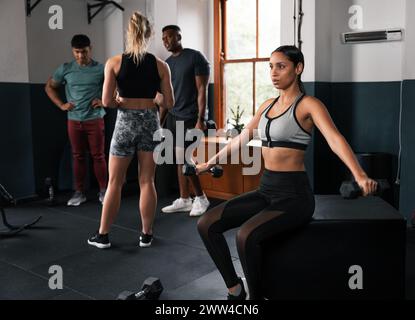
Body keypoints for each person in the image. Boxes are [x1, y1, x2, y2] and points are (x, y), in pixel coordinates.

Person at [195, 45, 378, 300]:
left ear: (298, 68)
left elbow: (335, 139)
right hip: (266, 190)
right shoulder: (267, 106)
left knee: (245, 236)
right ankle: (235, 289)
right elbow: (241, 139)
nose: (273, 72)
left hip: (294, 196)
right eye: (270, 66)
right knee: (206, 224)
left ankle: (257, 299)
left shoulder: (309, 105)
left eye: (280, 66)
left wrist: (359, 174)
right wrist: (209, 162)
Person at [87, 11, 174, 249]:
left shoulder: (114, 62)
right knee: (147, 180)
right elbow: (169, 103)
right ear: (149, 35)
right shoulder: (160, 65)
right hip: (150, 122)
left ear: (129, 34)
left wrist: (120, 100)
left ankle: (103, 236)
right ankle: (146, 235)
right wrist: (155, 97)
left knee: (115, 181)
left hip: (125, 123)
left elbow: (106, 102)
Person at [45, 34, 108, 206]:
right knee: (78, 156)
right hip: (74, 120)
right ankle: (79, 192)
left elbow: (116, 88)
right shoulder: (66, 68)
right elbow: (49, 86)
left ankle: (104, 191)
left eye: (84, 52)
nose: (81, 56)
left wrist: (104, 102)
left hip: (94, 119)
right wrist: (61, 105)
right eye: (77, 52)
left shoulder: (101, 68)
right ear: (73, 51)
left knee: (98, 156)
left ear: (90, 49)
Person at [160, 25, 211, 217]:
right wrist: (160, 120)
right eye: (163, 38)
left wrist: (201, 118)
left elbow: (202, 90)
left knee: (185, 158)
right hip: (173, 116)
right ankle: (184, 199)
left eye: (169, 37)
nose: (166, 41)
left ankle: (201, 198)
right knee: (178, 159)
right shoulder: (165, 64)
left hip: (190, 117)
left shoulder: (195, 57)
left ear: (179, 36)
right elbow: (166, 95)